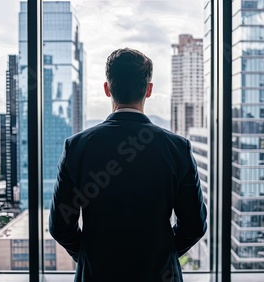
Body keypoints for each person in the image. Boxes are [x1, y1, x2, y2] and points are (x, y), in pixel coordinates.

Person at [49, 48, 207, 282]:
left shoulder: (77, 147)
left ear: (107, 89)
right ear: (149, 90)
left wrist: (90, 254)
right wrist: (161, 255)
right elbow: (194, 226)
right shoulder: (177, 148)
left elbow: (60, 226)